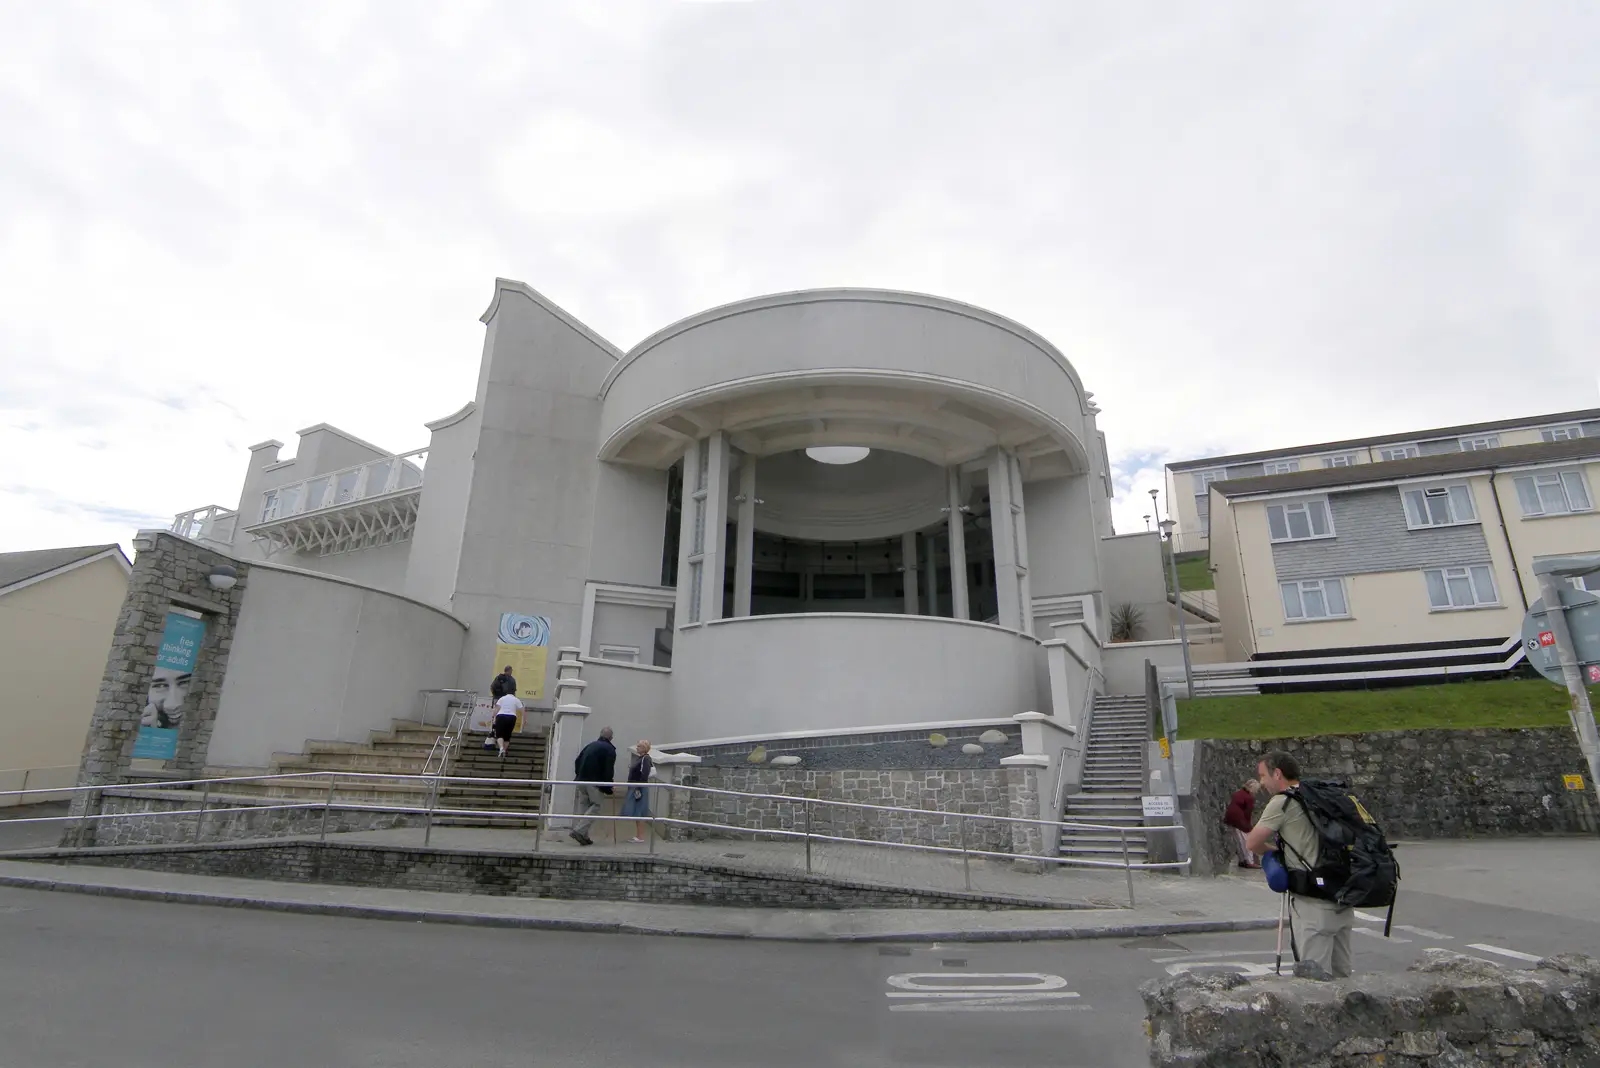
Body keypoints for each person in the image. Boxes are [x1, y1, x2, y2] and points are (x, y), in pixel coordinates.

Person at [1245, 750, 1354, 978]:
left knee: (1316, 983)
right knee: (1343, 978)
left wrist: (1273, 853)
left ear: (1277, 774)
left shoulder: (1283, 802)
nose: (1262, 782)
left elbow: (1252, 842)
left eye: (1263, 776)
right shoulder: (1318, 795)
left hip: (1313, 903)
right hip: (1342, 896)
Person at [570, 726, 616, 846]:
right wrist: (608, 787)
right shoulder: (609, 750)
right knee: (596, 806)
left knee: (584, 807)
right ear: (611, 737)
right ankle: (579, 831)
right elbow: (608, 770)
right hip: (594, 782)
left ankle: (584, 836)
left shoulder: (590, 745)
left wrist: (579, 774)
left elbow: (577, 761)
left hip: (581, 780)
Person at [619, 740, 654, 843]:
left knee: (639, 810)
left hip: (639, 787)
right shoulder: (641, 758)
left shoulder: (645, 759)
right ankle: (639, 835)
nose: (637, 748)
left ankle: (640, 836)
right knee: (637, 810)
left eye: (639, 746)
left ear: (644, 748)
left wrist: (638, 789)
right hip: (635, 786)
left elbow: (644, 775)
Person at [1223, 779, 1262, 869]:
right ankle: (1249, 861)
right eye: (1256, 789)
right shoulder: (1249, 797)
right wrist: (1248, 827)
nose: (1256, 791)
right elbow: (1247, 813)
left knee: (1238, 841)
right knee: (1246, 840)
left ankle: (1242, 860)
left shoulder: (1238, 793)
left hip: (1230, 818)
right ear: (1252, 788)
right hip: (1239, 820)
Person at [491, 691, 523, 758]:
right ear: (514, 694)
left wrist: (493, 717)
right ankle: (504, 751)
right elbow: (522, 710)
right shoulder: (516, 699)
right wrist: (524, 720)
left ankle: (501, 748)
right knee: (507, 736)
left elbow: (496, 708)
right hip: (512, 717)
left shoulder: (502, 698)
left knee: (499, 734)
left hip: (501, 716)